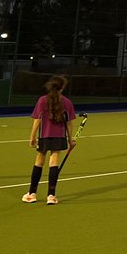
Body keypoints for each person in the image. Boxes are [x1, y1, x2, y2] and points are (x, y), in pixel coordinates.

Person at [23, 76, 77, 205]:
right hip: (59, 137)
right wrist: (70, 140)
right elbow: (69, 123)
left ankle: (31, 194)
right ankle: (51, 196)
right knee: (54, 162)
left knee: (39, 161)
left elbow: (37, 120)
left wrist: (32, 136)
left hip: (44, 136)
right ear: (62, 88)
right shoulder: (67, 102)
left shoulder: (42, 100)